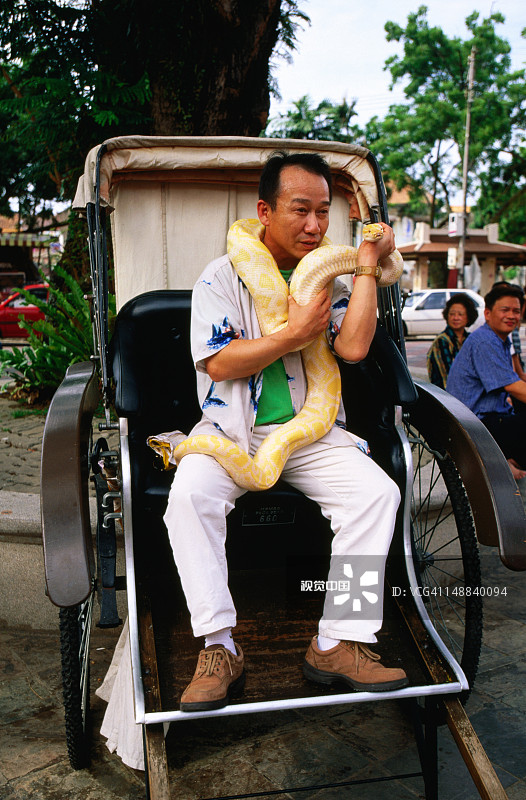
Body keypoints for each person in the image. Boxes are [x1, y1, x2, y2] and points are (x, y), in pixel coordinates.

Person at [163, 150, 408, 713]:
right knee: (189, 497)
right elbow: (219, 363)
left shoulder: (328, 272)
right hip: (232, 430)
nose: (315, 225)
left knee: (377, 493)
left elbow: (352, 347)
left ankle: (337, 642)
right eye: (301, 210)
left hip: (308, 431)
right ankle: (219, 646)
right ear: (264, 211)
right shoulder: (222, 276)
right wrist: (294, 332)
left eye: (324, 212)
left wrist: (367, 261)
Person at [447, 283, 526, 481]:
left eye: (516, 311)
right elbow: (514, 387)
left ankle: (509, 461)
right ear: (488, 313)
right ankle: (506, 462)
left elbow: (514, 382)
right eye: (505, 310)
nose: (511, 316)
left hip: (488, 416)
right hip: (475, 424)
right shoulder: (485, 341)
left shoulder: (500, 339)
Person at [427, 293, 478, 389]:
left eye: (460, 314)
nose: (455, 318)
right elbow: (448, 377)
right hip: (448, 397)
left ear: (468, 317)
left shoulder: (470, 340)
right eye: (452, 314)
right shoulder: (441, 341)